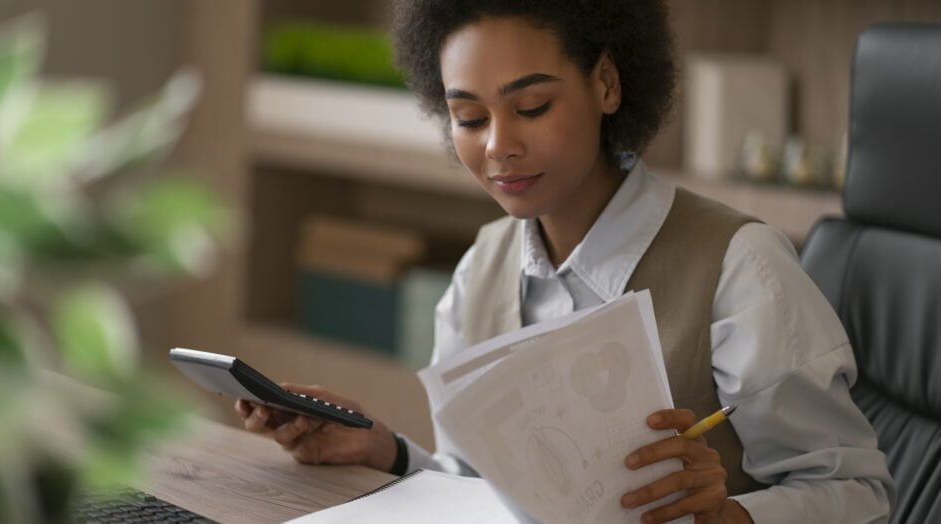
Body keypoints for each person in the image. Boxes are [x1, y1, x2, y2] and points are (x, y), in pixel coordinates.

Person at [237, 1, 894, 522]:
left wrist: (733, 519)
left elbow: (859, 496)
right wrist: (383, 450)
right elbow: (482, 494)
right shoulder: (480, 272)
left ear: (605, 84)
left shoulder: (738, 268)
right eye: (467, 117)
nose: (498, 147)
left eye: (531, 107)